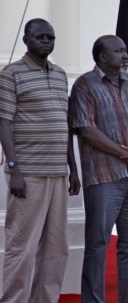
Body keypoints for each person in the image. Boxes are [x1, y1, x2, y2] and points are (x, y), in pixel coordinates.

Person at [69, 34, 128, 303]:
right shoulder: (85, 84)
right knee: (97, 244)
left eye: (124, 50)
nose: (125, 55)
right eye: (118, 51)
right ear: (102, 56)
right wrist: (124, 154)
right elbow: (85, 129)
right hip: (104, 176)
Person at [0, 18, 80, 303]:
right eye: (40, 37)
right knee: (22, 245)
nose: (46, 42)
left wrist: (72, 169)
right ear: (26, 40)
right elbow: (4, 122)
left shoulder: (59, 74)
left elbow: (65, 124)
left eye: (51, 38)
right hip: (29, 173)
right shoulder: (11, 74)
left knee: (57, 248)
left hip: (58, 171)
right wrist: (14, 168)